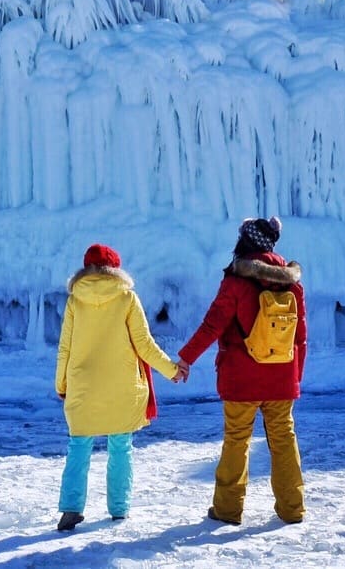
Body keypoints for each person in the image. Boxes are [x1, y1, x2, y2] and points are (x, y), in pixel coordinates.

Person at [176, 217, 307, 525]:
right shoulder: (292, 283)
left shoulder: (235, 282)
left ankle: (228, 510)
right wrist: (294, 378)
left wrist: (186, 359)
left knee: (237, 440)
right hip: (281, 377)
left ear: (245, 242)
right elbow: (300, 338)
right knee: (284, 440)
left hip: (241, 378)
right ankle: (292, 508)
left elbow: (212, 325)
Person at [54, 243, 188, 532]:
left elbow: (65, 347)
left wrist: (61, 383)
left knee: (78, 447)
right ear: (115, 269)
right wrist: (172, 371)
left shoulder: (75, 300)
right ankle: (119, 509)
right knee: (120, 448)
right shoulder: (126, 298)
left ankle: (70, 509)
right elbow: (144, 344)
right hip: (121, 386)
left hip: (83, 386)